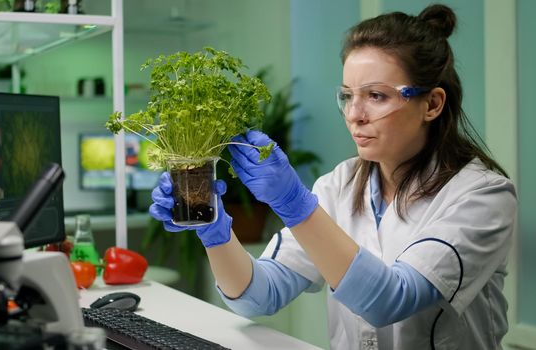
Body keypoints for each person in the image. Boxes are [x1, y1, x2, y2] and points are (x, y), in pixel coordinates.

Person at [149, 4, 517, 350]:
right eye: (347, 96)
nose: (355, 114)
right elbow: (257, 297)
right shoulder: (339, 184)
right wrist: (215, 232)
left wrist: (294, 205)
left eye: (376, 95)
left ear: (433, 104)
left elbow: (392, 300)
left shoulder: (482, 196)